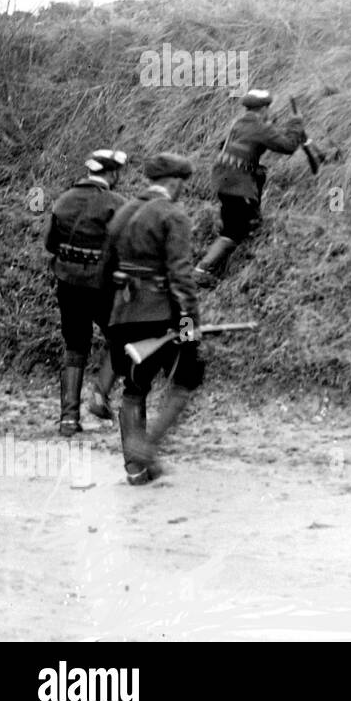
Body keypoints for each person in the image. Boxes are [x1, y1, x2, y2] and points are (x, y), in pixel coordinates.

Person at [102, 153, 204, 485]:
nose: (181, 191)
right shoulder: (172, 215)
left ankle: (135, 469)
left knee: (134, 387)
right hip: (165, 313)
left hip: (123, 312)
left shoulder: (123, 212)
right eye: (181, 185)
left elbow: (106, 267)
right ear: (174, 182)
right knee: (187, 376)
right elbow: (181, 276)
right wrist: (192, 324)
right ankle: (146, 446)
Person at [42, 148, 128, 435]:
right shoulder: (117, 203)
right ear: (112, 173)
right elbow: (125, 248)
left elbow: (50, 244)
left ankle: (68, 419)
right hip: (102, 286)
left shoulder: (63, 200)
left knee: (75, 346)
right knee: (121, 337)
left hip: (67, 284)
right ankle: (100, 395)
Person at [195, 89, 306, 286]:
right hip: (238, 185)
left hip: (222, 179)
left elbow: (226, 145)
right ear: (263, 109)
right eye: (268, 109)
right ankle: (202, 269)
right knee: (235, 232)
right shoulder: (259, 127)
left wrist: (270, 129)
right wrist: (295, 124)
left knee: (242, 203)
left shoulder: (239, 123)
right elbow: (288, 146)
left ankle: (244, 223)